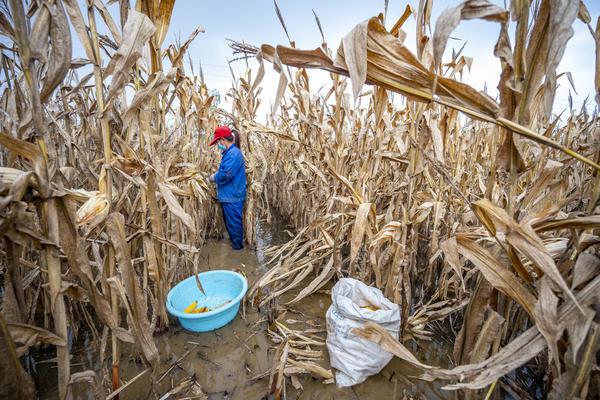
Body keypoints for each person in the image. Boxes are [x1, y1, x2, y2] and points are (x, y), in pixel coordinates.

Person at [209, 125, 247, 250]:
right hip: (229, 195)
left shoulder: (233, 154)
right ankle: (236, 247)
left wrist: (214, 177)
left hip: (232, 196)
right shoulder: (230, 153)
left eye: (218, 142)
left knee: (234, 225)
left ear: (223, 140)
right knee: (231, 224)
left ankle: (238, 252)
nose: (218, 145)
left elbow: (226, 174)